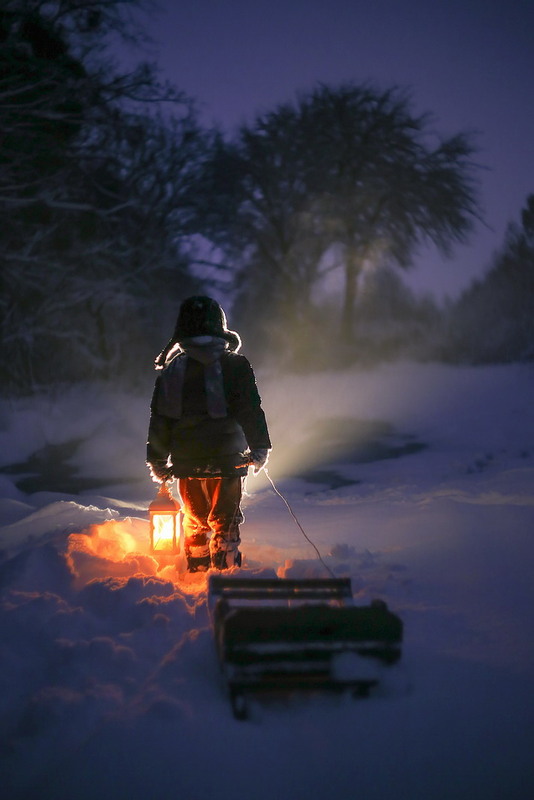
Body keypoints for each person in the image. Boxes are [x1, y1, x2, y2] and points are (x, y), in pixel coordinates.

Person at [146, 296, 271, 572]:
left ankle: (197, 562)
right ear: (220, 328)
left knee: (194, 515)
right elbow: (251, 409)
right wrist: (260, 447)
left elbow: (161, 418)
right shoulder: (236, 365)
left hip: (187, 460)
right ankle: (226, 562)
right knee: (225, 516)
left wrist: (157, 459)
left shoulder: (172, 369)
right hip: (229, 459)